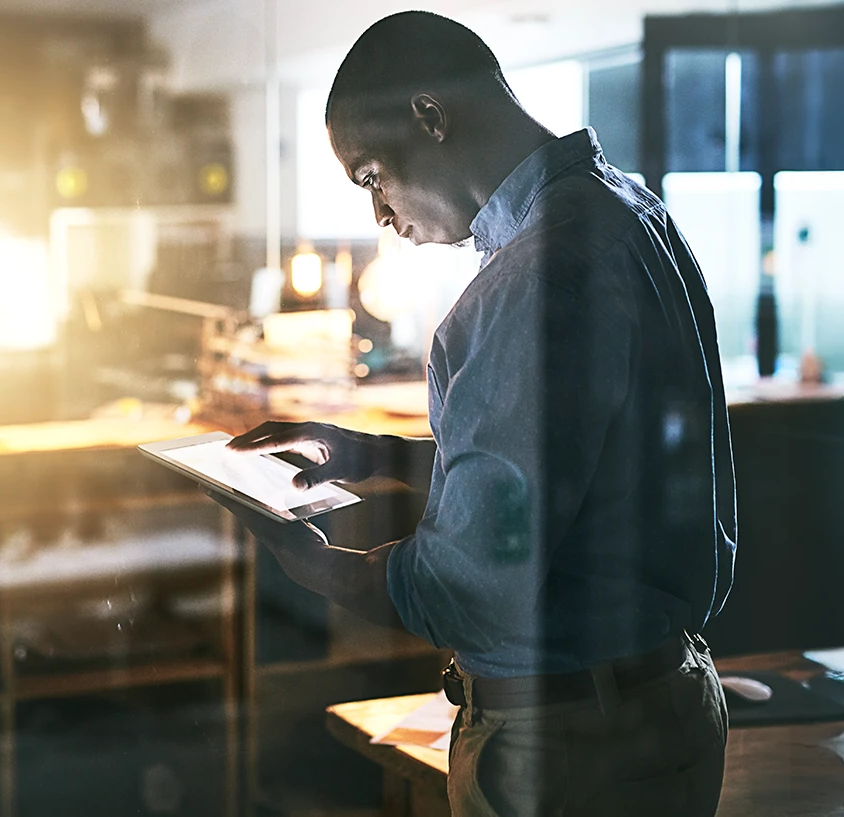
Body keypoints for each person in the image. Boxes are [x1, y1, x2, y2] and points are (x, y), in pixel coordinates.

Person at [209, 11, 736, 816]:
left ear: (430, 115)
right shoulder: (630, 212)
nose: (380, 215)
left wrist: (314, 564)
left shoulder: (532, 276)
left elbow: (473, 586)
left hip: (567, 742)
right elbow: (571, 474)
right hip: (659, 700)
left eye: (371, 175)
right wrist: (381, 454)